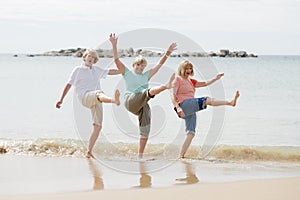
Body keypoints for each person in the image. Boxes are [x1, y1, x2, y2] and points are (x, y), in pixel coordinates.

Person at [109, 33, 177, 159]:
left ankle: (140, 156)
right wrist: (114, 44)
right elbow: (117, 61)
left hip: (141, 104)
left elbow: (159, 65)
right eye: (138, 65)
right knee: (147, 92)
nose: (140, 67)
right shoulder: (127, 73)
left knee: (146, 128)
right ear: (133, 65)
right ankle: (166, 86)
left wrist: (167, 53)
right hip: (130, 101)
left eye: (142, 65)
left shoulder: (146, 75)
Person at [56, 48, 121, 159]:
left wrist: (125, 71)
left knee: (98, 127)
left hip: (97, 99)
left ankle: (89, 152)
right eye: (89, 56)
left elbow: (110, 72)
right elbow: (69, 85)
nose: (91, 58)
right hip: (85, 97)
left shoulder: (96, 70)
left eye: (93, 57)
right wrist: (61, 99)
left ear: (95, 60)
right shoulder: (78, 70)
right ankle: (113, 100)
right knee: (99, 93)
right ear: (85, 57)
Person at [170, 60, 240, 158]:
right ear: (182, 69)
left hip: (191, 107)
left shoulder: (191, 81)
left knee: (191, 133)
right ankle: (230, 102)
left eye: (190, 68)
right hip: (183, 105)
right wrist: (177, 107)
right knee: (206, 100)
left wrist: (216, 78)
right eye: (187, 68)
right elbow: (172, 94)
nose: (189, 70)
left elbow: (205, 83)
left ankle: (180, 156)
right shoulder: (177, 79)